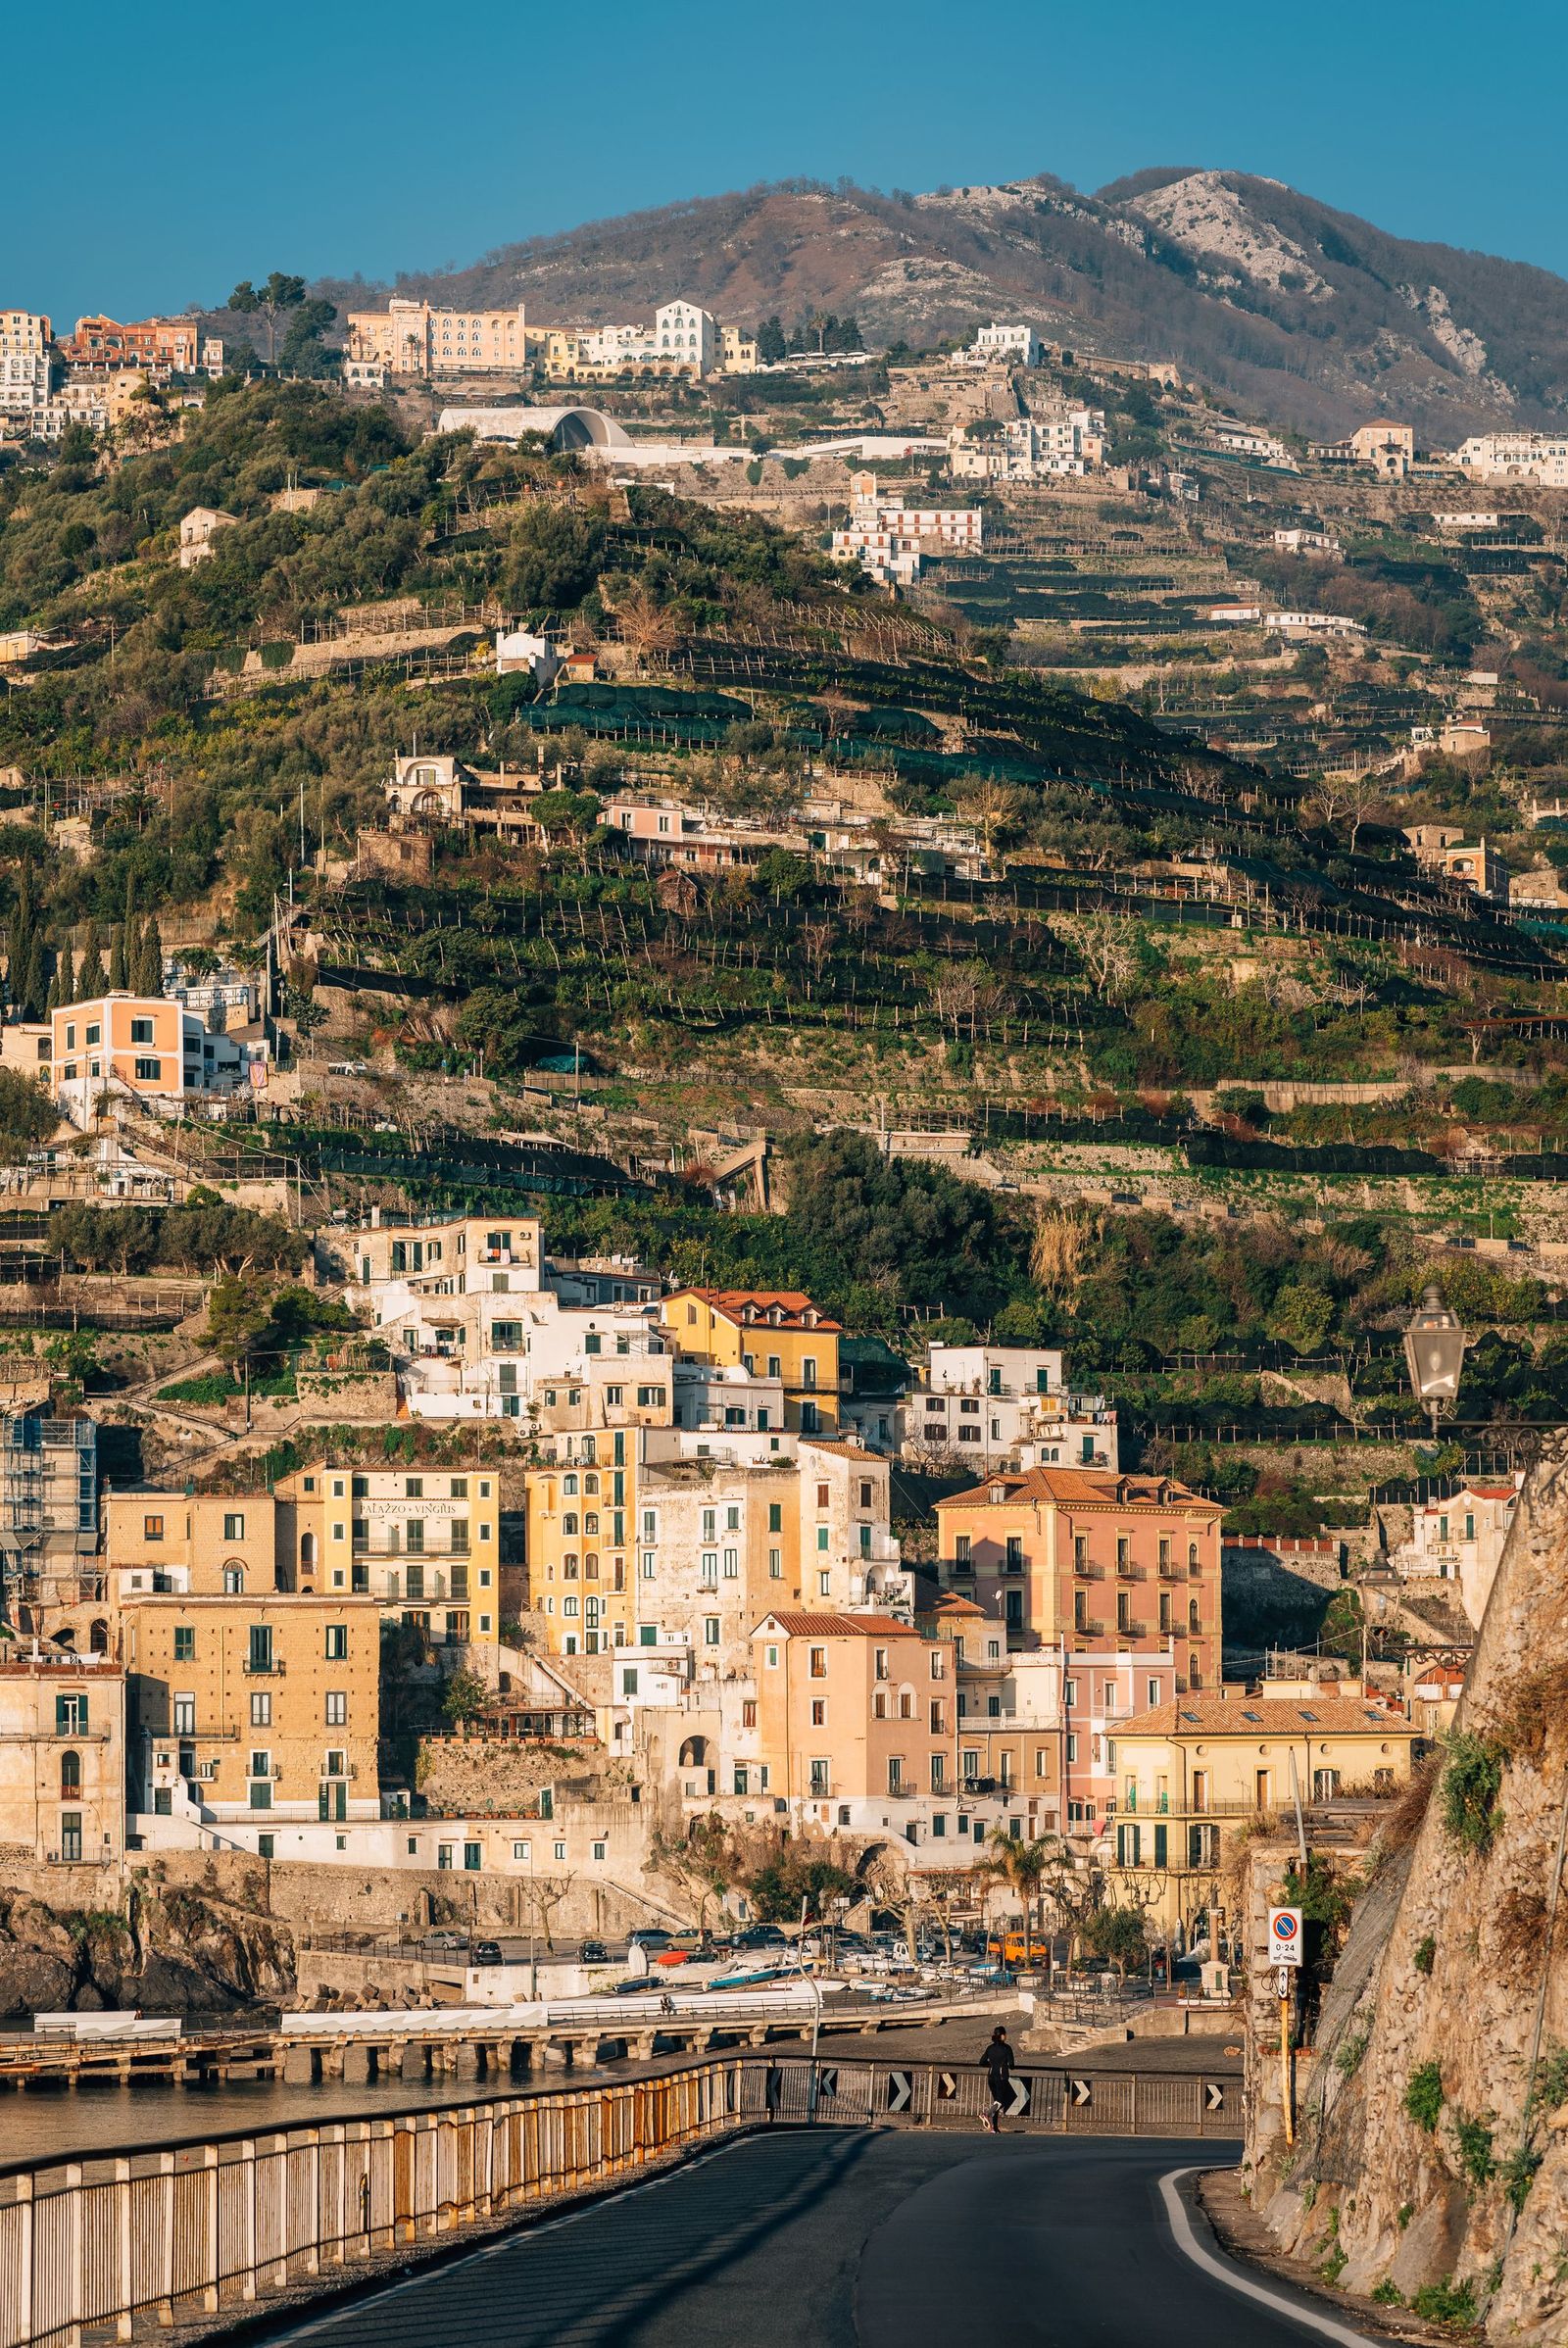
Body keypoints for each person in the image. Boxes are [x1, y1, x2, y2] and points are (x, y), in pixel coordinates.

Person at [982, 2025, 1015, 2133]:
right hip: (1001, 2077)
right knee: (1002, 2101)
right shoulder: (1007, 2048)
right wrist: (1005, 2066)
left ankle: (994, 2127)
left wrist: (992, 2065)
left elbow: (981, 2062)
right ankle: (987, 2114)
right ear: (1002, 2036)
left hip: (991, 2077)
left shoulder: (990, 2048)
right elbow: (1011, 2064)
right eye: (1005, 2034)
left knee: (997, 2102)